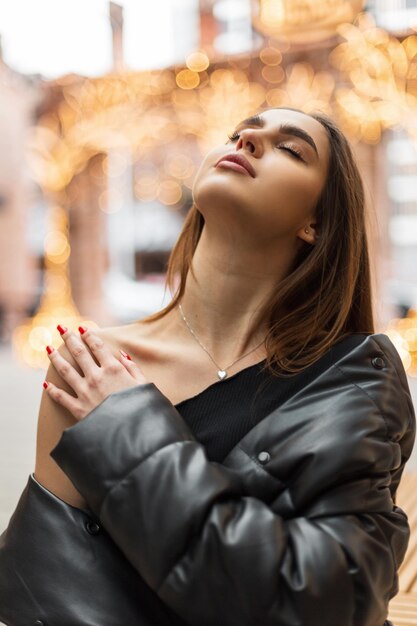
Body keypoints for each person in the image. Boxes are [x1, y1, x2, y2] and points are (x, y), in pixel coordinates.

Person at [0, 106, 415, 626]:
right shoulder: (95, 363)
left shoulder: (352, 380)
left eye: (290, 148)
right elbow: (51, 591)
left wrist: (130, 436)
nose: (248, 141)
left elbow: (328, 600)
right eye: (239, 133)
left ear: (316, 222)